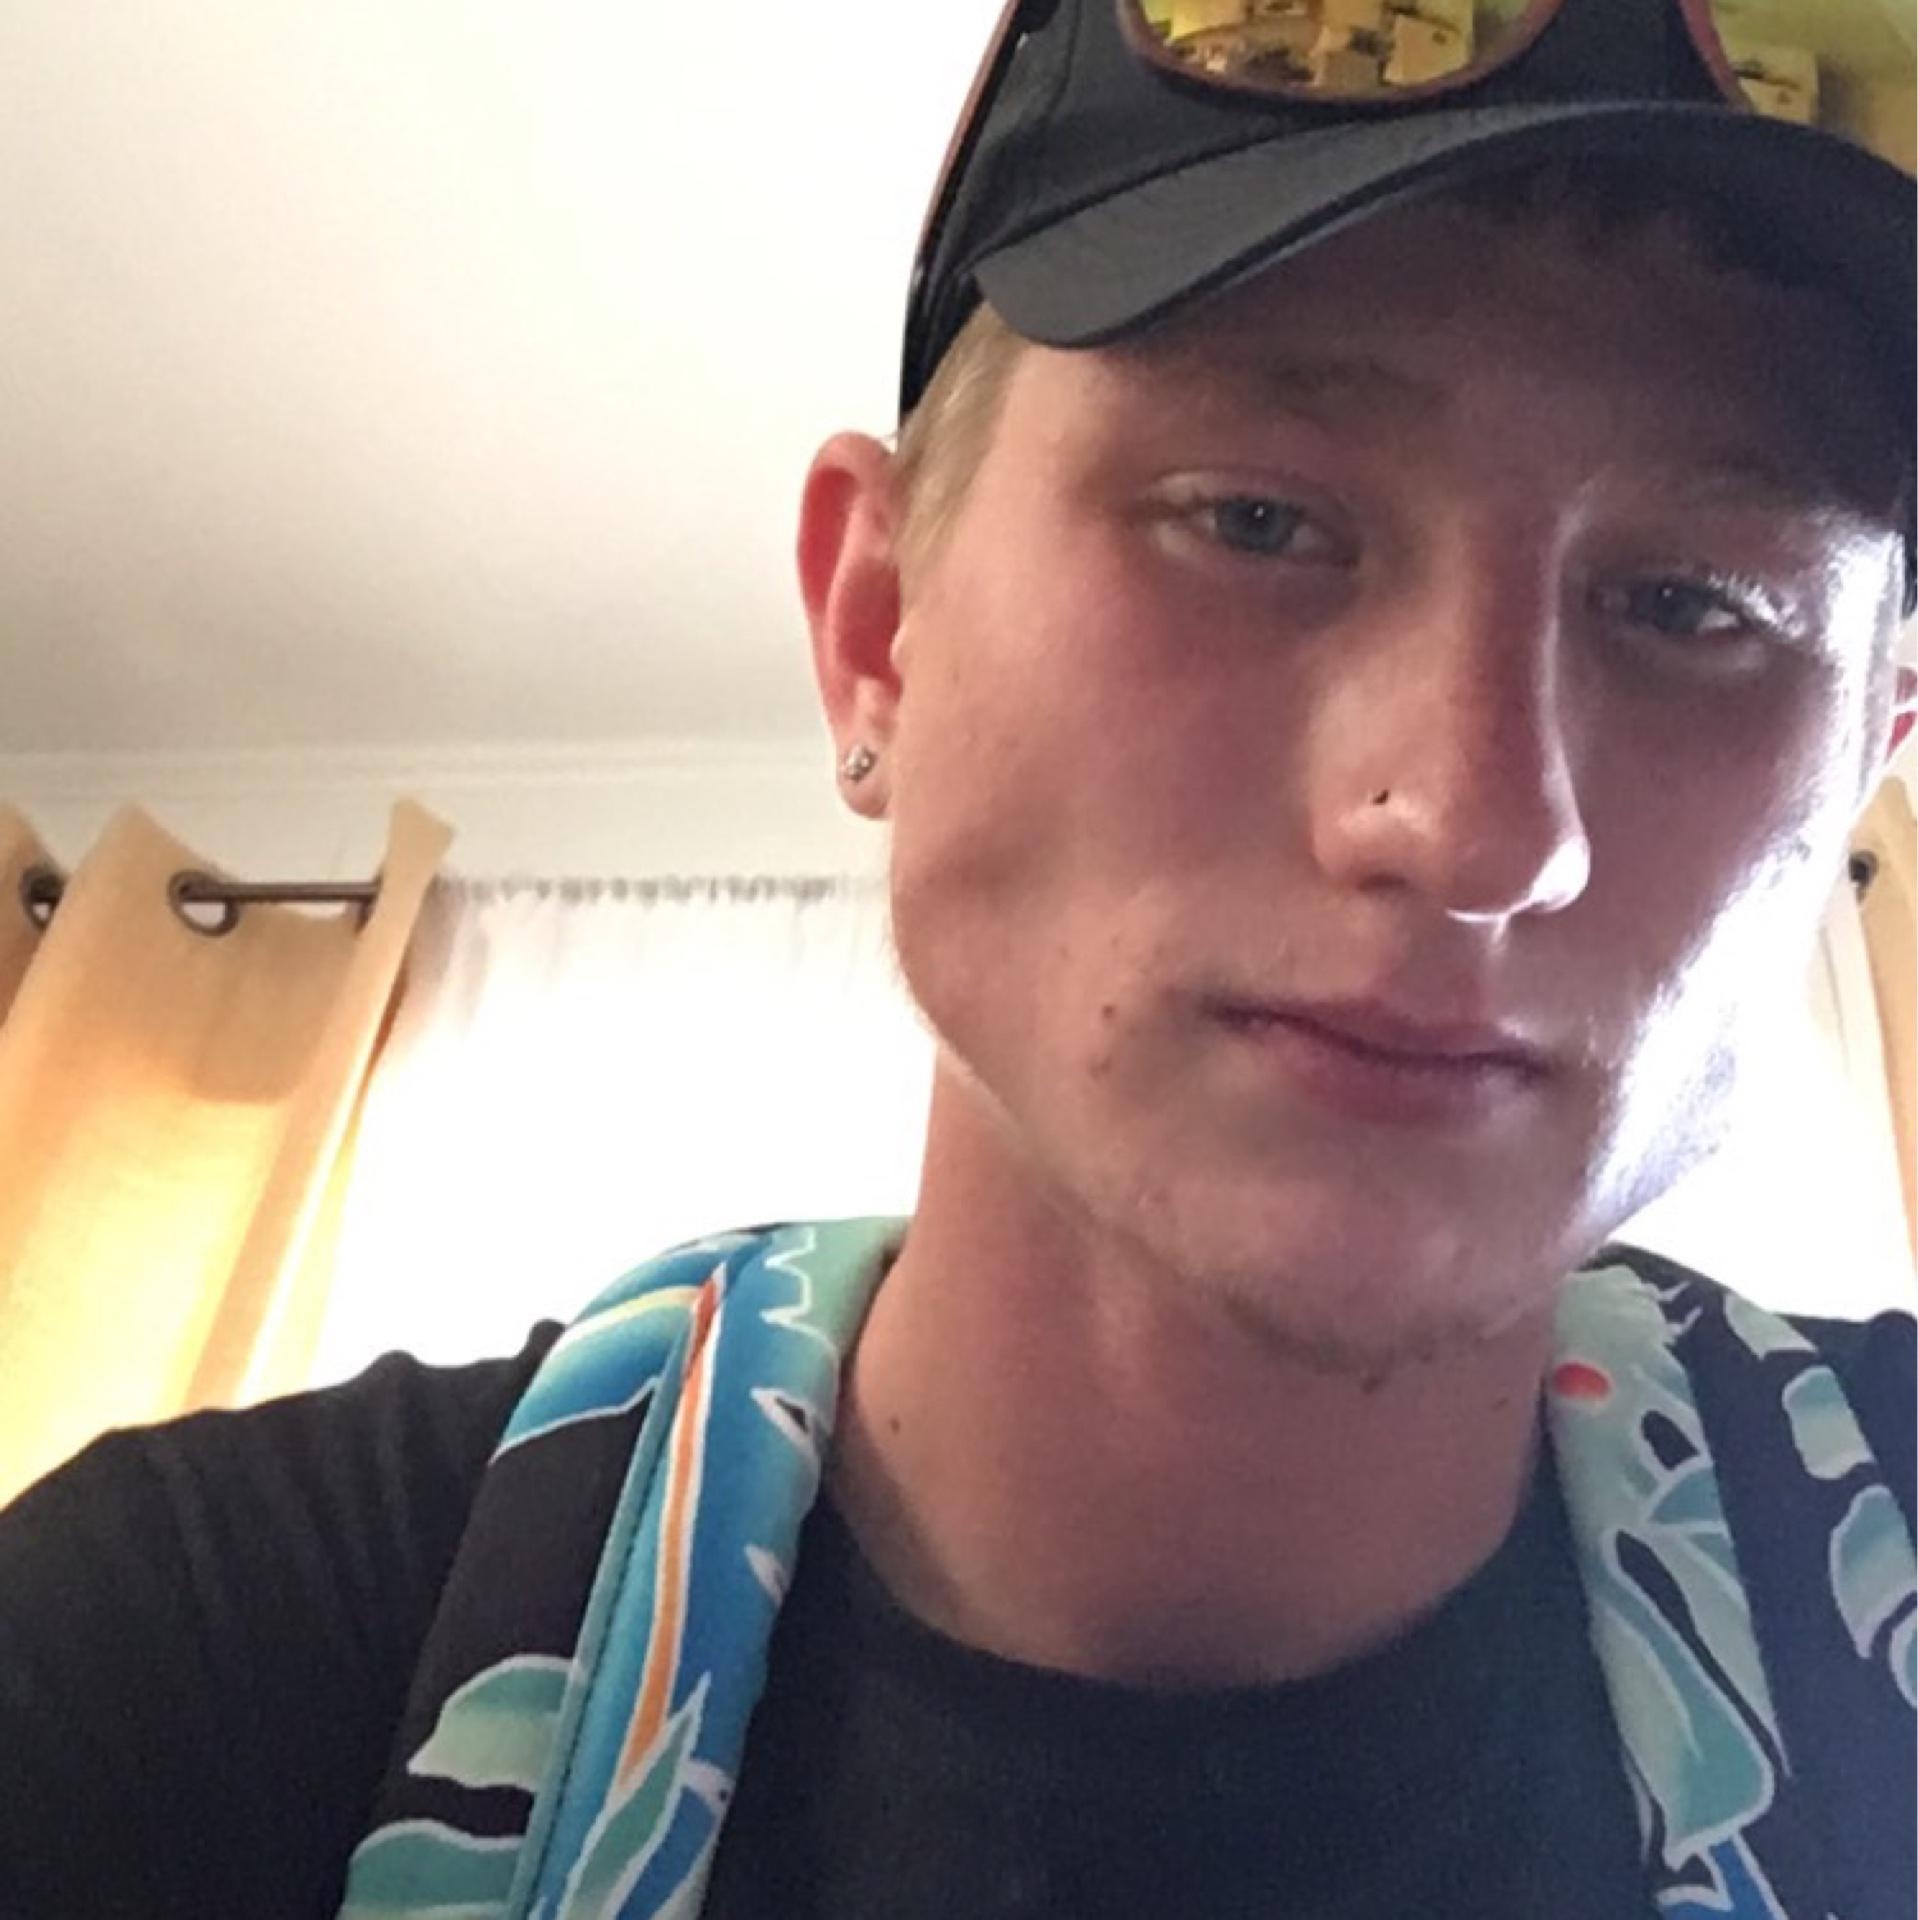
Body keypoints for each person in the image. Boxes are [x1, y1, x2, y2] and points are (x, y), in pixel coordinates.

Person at [2, 2, 1914, 1916]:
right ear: (877, 634)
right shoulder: (177, 1666)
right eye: (1257, 522)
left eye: (1696, 607)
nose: (1480, 827)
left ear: (1863, 760)